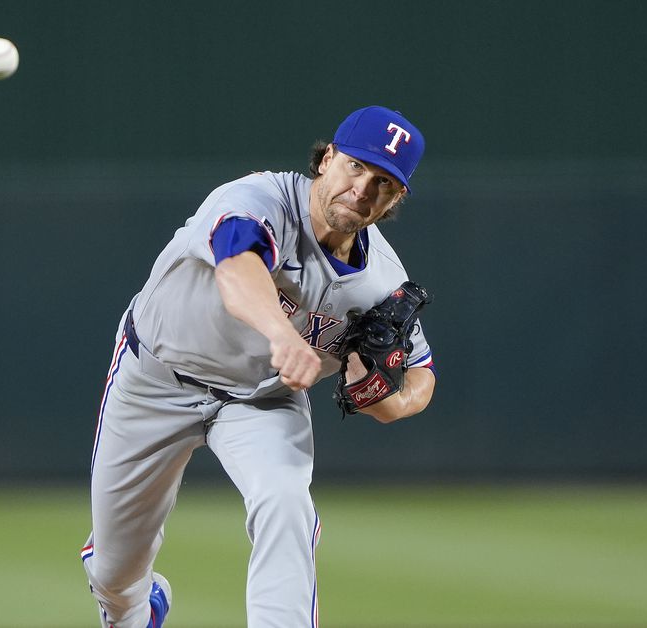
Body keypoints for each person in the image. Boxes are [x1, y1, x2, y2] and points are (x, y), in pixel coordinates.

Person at [80, 105, 437, 627]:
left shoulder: (381, 279)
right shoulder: (257, 198)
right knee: (115, 570)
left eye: (383, 182)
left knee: (286, 501)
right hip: (156, 377)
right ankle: (138, 606)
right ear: (328, 159)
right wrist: (278, 333)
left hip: (261, 399)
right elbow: (237, 267)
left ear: (396, 198)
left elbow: (423, 370)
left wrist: (393, 401)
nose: (363, 189)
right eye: (356, 167)